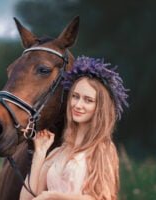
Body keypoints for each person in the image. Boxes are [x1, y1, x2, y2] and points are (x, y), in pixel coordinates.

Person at [20, 56, 128, 200]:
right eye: (75, 96)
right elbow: (27, 198)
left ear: (99, 108)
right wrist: (40, 153)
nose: (77, 105)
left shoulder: (102, 149)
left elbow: (105, 197)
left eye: (88, 100)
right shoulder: (58, 152)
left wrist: (57, 197)